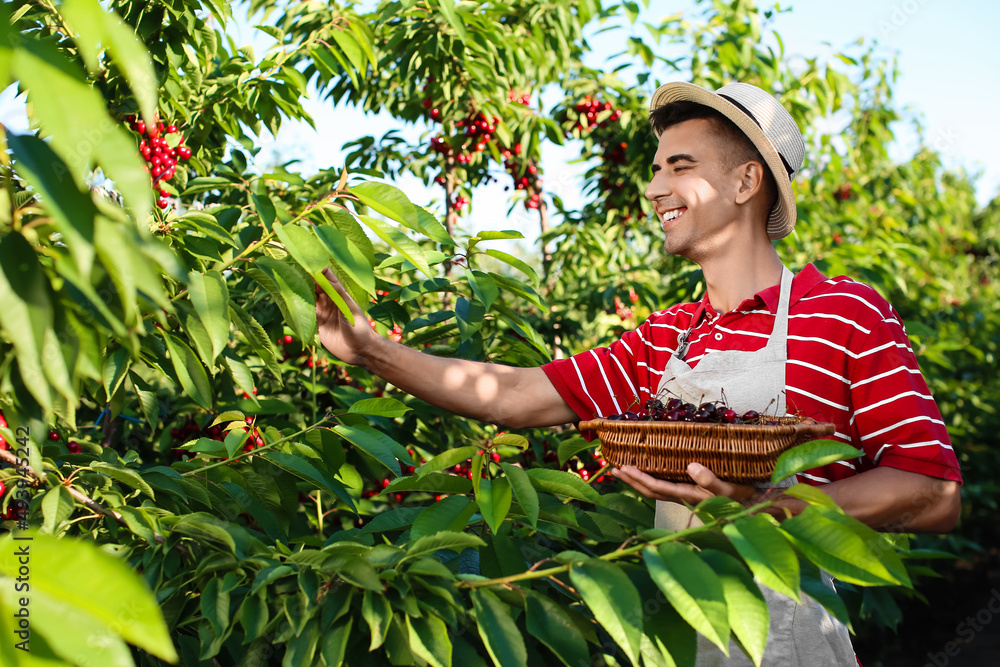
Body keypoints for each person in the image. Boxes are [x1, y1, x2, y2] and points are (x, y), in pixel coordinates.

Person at [315, 81, 962, 666]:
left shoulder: (841, 312)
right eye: (655, 170)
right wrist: (373, 350)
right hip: (672, 640)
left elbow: (933, 491)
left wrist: (770, 507)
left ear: (745, 183)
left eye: (680, 168)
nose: (654, 188)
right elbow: (512, 394)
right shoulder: (668, 335)